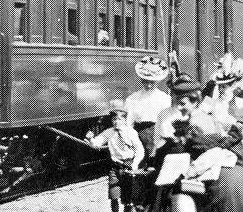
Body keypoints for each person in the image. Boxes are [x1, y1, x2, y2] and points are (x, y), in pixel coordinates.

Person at [153, 75, 243, 212]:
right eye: (177, 102)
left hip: (220, 175)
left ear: (195, 102)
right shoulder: (206, 115)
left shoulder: (199, 121)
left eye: (182, 103)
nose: (179, 107)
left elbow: (205, 145)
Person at [85, 100, 144, 212]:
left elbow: (140, 150)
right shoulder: (109, 132)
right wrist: (90, 139)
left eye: (120, 119)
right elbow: (96, 144)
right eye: (114, 119)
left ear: (125, 120)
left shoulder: (131, 133)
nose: (116, 122)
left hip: (129, 166)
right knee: (114, 197)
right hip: (115, 168)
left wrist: (135, 164)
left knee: (128, 199)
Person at [125, 56, 171, 163]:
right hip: (139, 134)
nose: (149, 85)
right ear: (141, 79)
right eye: (145, 81)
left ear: (158, 81)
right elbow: (128, 123)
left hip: (159, 134)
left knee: (155, 163)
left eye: (152, 82)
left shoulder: (164, 99)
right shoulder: (132, 99)